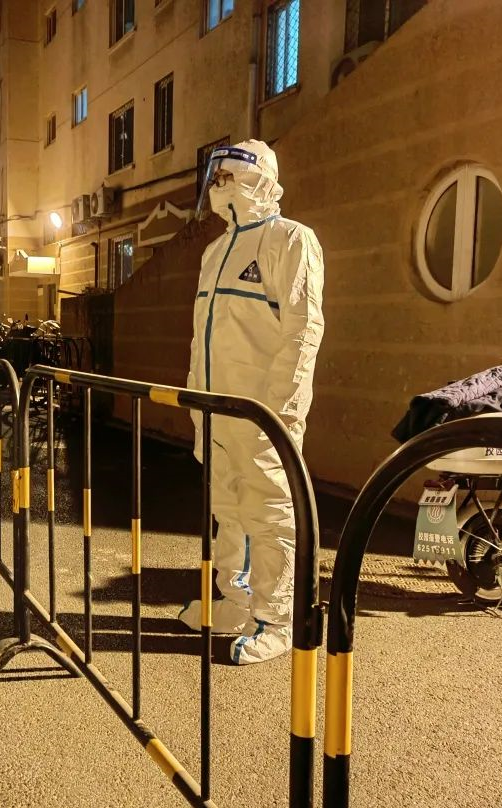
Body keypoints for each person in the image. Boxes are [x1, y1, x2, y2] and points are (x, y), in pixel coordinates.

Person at [178, 140, 325, 664]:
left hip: (262, 414)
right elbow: (202, 335)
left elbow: (303, 330)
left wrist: (280, 410)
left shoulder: (291, 240)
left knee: (269, 514)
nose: (219, 185)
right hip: (215, 410)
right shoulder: (215, 251)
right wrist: (195, 401)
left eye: (228, 175)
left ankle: (277, 618)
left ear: (257, 178)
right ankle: (234, 601)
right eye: (216, 176)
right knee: (228, 509)